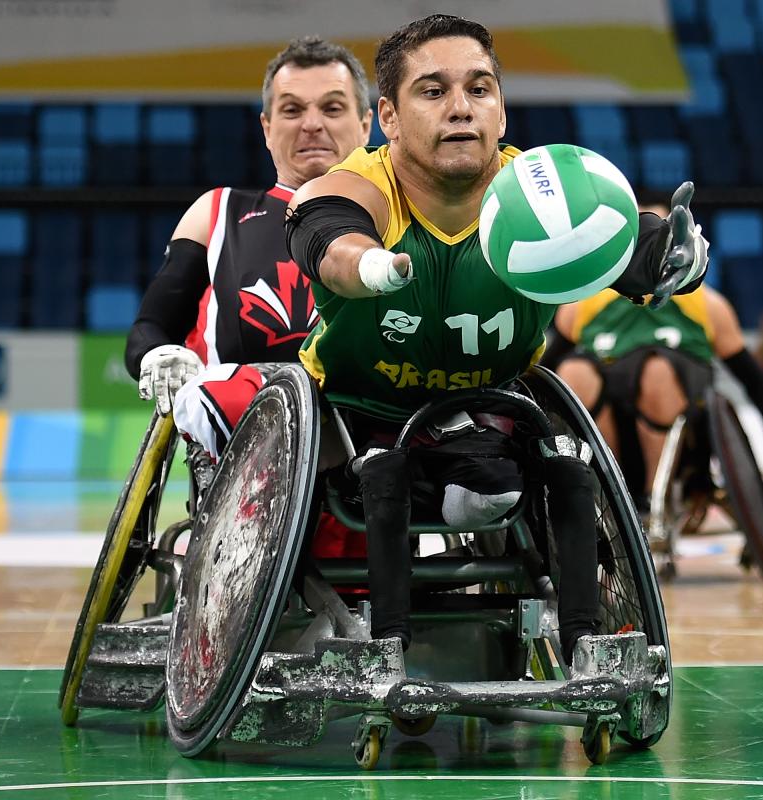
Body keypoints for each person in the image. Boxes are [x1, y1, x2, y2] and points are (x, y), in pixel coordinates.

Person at [283, 14, 710, 659]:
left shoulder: (536, 194)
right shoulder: (362, 185)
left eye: (479, 90)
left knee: (565, 463)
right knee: (385, 470)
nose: (461, 109)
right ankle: (387, 648)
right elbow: (326, 233)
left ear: (502, 112)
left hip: (484, 417)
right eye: (433, 91)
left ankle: (587, 646)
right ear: (389, 119)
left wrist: (671, 257)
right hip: (352, 420)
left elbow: (620, 240)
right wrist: (366, 264)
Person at [124, 36, 373, 457]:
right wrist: (159, 354)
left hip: (371, 448)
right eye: (292, 110)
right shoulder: (216, 212)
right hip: (243, 454)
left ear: (366, 124)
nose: (312, 124)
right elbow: (150, 328)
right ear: (267, 127)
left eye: (332, 108)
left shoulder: (400, 215)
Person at [554, 278, 763, 528]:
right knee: (574, 371)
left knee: (657, 373)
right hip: (612, 426)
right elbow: (544, 371)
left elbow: (755, 383)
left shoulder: (707, 305)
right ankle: (606, 492)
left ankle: (653, 499)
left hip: (683, 436)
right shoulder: (585, 304)